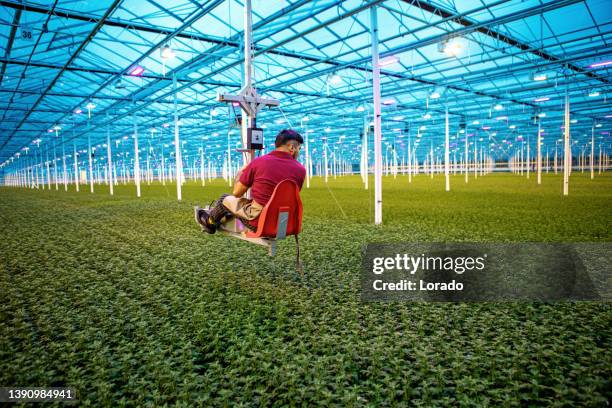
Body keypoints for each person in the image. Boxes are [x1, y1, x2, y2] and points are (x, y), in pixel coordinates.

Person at [195, 129, 306, 234]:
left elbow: (237, 193)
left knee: (225, 198)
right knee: (246, 203)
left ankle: (210, 222)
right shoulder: (301, 170)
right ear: (292, 147)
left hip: (259, 222)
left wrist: (241, 173)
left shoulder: (259, 162)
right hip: (285, 223)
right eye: (299, 149)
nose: (298, 152)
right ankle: (219, 217)